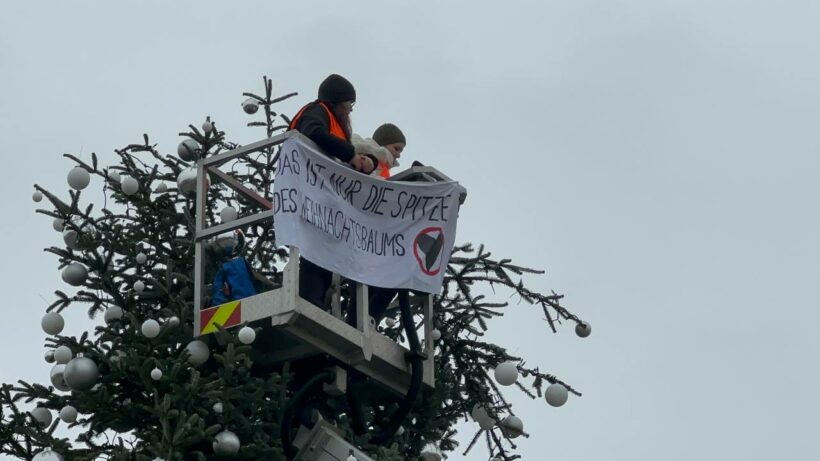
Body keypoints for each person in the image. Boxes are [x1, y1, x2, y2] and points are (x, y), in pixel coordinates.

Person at [289, 74, 379, 310]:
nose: (350, 110)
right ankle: (310, 301)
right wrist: (350, 155)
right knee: (314, 254)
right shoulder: (317, 111)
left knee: (324, 254)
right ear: (337, 102)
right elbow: (314, 133)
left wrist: (365, 161)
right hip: (309, 194)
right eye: (348, 104)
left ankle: (318, 302)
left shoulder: (336, 124)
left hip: (325, 201)